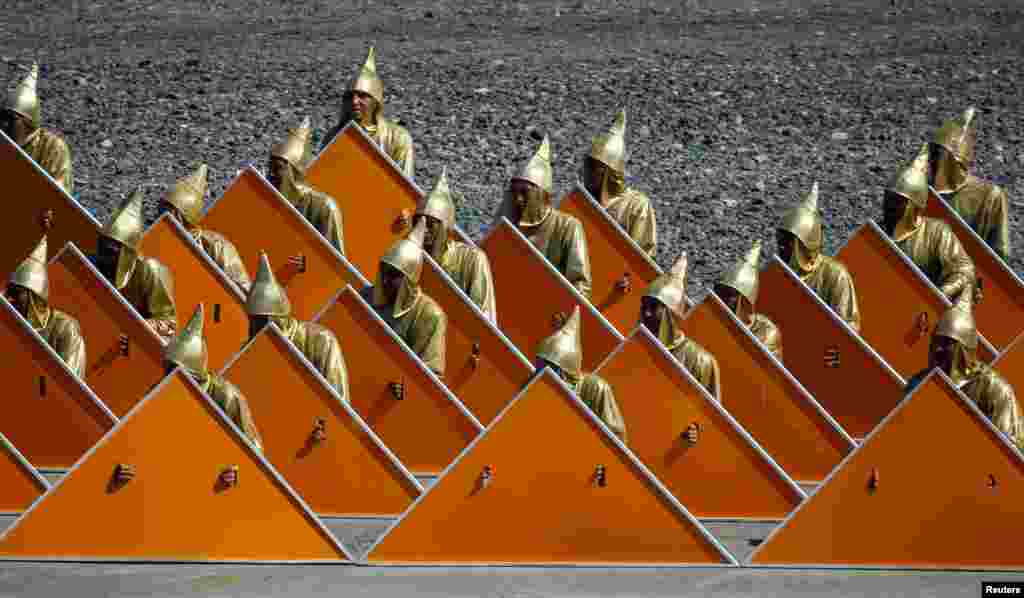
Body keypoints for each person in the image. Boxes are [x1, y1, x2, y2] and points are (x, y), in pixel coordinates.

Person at [906, 296, 1023, 450]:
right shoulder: (919, 383)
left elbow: (1009, 447)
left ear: (964, 350)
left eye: (947, 343)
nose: (938, 349)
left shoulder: (994, 389)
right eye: (936, 342)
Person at [493, 136, 593, 299]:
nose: (518, 199)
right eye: (514, 192)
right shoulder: (507, 223)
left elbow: (580, 283)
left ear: (540, 194)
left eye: (524, 193)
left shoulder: (568, 226)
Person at [245, 252, 349, 400]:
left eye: (263, 319)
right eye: (255, 320)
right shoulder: (250, 348)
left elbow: (338, 399)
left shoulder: (322, 340)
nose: (259, 326)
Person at [883, 143, 976, 304]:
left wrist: (943, 292)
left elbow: (964, 269)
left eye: (899, 201)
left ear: (916, 207)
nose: (890, 206)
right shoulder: (876, 235)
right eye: (888, 198)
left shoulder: (936, 232)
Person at [164, 304, 263, 450]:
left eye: (175, 370)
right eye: (169, 369)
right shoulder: (164, 391)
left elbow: (253, 450)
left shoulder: (227, 396)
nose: (170, 375)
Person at [362, 219, 447, 377]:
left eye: (394, 275)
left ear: (409, 279)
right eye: (384, 271)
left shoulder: (430, 315)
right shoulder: (366, 297)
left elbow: (431, 375)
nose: (385, 280)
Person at [412, 166, 496, 322]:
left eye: (430, 224)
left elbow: (483, 317)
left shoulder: (472, 259)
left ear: (445, 228)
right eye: (418, 223)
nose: (423, 230)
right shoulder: (408, 255)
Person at [93, 190, 177, 343]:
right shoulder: (92, 265)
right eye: (101, 247)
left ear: (126, 253)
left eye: (109, 252)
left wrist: (138, 327)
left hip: (140, 343)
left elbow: (170, 324)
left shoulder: (150, 270)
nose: (102, 257)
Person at [776, 182, 861, 332]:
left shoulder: (835, 275)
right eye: (780, 241)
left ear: (804, 243)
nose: (781, 247)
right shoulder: (776, 274)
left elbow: (849, 328)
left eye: (787, 241)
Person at [929, 107, 1010, 260]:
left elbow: (1000, 254)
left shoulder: (990, 195)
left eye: (946, 158)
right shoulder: (920, 189)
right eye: (935, 155)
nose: (938, 163)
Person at [320, 46, 415, 177]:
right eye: (349, 96)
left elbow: (404, 182)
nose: (354, 101)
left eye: (362, 96)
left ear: (375, 101)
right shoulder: (333, 137)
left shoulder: (398, 137)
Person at [536, 305, 626, 442]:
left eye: (549, 367)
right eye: (539, 366)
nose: (541, 374)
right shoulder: (534, 386)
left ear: (566, 371)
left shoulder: (595, 388)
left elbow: (615, 440)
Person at [158, 163, 252, 294]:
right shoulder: (157, 244)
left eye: (167, 211)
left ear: (182, 216)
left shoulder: (216, 245)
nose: (160, 217)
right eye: (160, 210)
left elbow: (242, 289)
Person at [641, 252, 721, 401]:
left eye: (653, 307)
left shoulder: (701, 360)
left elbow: (708, 411)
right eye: (644, 306)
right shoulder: (638, 347)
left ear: (670, 312)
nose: (646, 313)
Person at [5, 235, 86, 376]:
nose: (10, 299)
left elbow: (69, 380)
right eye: (9, 293)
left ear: (33, 295)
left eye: (16, 293)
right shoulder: (8, 323)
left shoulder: (65, 327)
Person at [580, 108, 657, 257]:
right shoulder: (581, 203)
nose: (587, 172)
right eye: (587, 165)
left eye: (593, 167)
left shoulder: (636, 205)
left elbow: (641, 260)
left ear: (608, 172)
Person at [268, 116, 345, 253]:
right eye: (270, 167)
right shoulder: (267, 200)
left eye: (278, 168)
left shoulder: (324, 207)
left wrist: (306, 261)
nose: (271, 174)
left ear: (294, 171)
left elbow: (333, 259)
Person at [1, 63, 73, 193]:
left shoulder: (52, 146)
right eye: (1, 116)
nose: (4, 123)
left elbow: (59, 192)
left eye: (11, 118)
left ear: (28, 122)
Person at [715, 240, 783, 360]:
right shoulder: (712, 315)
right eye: (721, 292)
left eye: (730, 294)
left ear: (744, 300)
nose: (723, 299)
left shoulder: (765, 331)